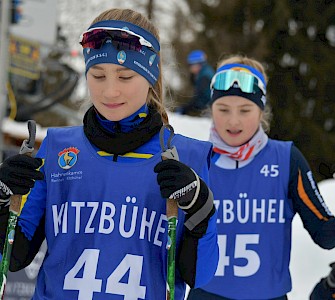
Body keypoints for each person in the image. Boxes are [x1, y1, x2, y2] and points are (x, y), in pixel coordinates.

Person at [0, 8, 218, 300]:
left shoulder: (185, 157)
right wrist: (3, 202)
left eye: (125, 77)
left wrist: (201, 210)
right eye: (98, 75)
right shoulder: (58, 147)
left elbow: (198, 276)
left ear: (151, 77)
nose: (109, 91)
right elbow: (15, 256)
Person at [187, 54, 335, 300]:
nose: (233, 121)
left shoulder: (286, 160)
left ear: (261, 110)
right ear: (211, 108)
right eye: (223, 109)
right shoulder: (196, 160)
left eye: (245, 110)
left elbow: (325, 234)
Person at [176, 49, 215, 116]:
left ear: (198, 64)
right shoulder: (205, 72)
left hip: (210, 108)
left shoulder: (204, 77)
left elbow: (199, 98)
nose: (190, 68)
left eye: (191, 65)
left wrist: (185, 109)